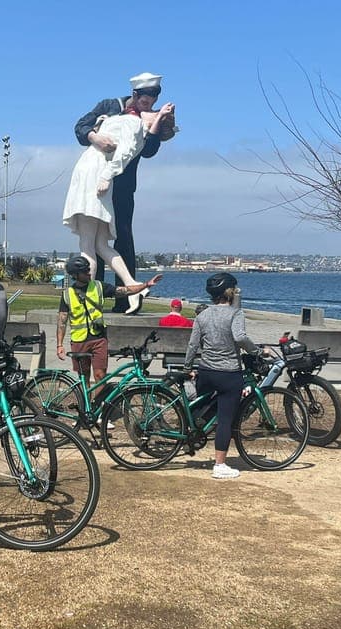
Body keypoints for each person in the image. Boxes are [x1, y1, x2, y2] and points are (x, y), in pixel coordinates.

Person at [74, 72, 177, 313]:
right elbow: (80, 127)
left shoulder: (150, 117)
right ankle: (96, 296)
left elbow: (148, 151)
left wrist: (158, 123)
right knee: (95, 241)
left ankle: (127, 297)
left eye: (153, 100)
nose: (149, 105)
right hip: (97, 181)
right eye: (145, 100)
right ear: (135, 94)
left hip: (122, 186)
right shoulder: (109, 106)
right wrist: (95, 138)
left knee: (123, 238)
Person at [182, 272, 273, 479]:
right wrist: (259, 351)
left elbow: (193, 344)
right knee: (225, 419)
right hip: (229, 373)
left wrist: (188, 367)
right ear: (230, 292)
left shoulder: (202, 315)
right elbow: (240, 337)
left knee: (203, 406)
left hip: (206, 371)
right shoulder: (235, 313)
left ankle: (192, 432)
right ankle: (220, 465)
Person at [57, 256, 161, 386]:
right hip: (79, 341)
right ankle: (85, 399)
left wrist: (146, 285)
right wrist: (59, 345)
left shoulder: (98, 286)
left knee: (100, 376)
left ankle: (99, 400)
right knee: (83, 378)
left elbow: (124, 291)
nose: (89, 273)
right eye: (85, 271)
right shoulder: (67, 294)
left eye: (89, 269)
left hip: (98, 338)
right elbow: (62, 321)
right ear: (75, 275)